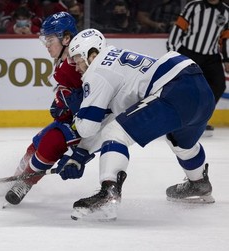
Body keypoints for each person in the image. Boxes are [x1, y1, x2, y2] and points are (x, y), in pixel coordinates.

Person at [55, 28, 215, 221]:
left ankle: (109, 193)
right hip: (200, 88)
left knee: (114, 134)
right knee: (180, 143)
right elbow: (117, 117)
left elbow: (88, 127)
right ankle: (198, 183)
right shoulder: (115, 60)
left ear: (92, 54)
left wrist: (79, 113)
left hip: (174, 90)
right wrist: (81, 154)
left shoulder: (97, 71)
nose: (77, 67)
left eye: (78, 60)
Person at [0, 12, 83, 205]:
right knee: (36, 143)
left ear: (66, 38)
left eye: (50, 39)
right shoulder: (63, 60)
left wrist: (68, 106)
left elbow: (90, 96)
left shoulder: (77, 61)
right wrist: (60, 103)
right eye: (45, 40)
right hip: (71, 119)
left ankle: (24, 183)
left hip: (85, 121)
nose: (47, 44)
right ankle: (16, 179)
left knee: (50, 142)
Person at [167, 0, 229, 136]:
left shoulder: (226, 11)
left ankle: (200, 119)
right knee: (183, 87)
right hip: (189, 52)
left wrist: (226, 59)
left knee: (218, 86)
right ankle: (177, 119)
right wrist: (172, 52)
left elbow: (225, 38)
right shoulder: (193, 6)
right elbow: (178, 28)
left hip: (211, 56)